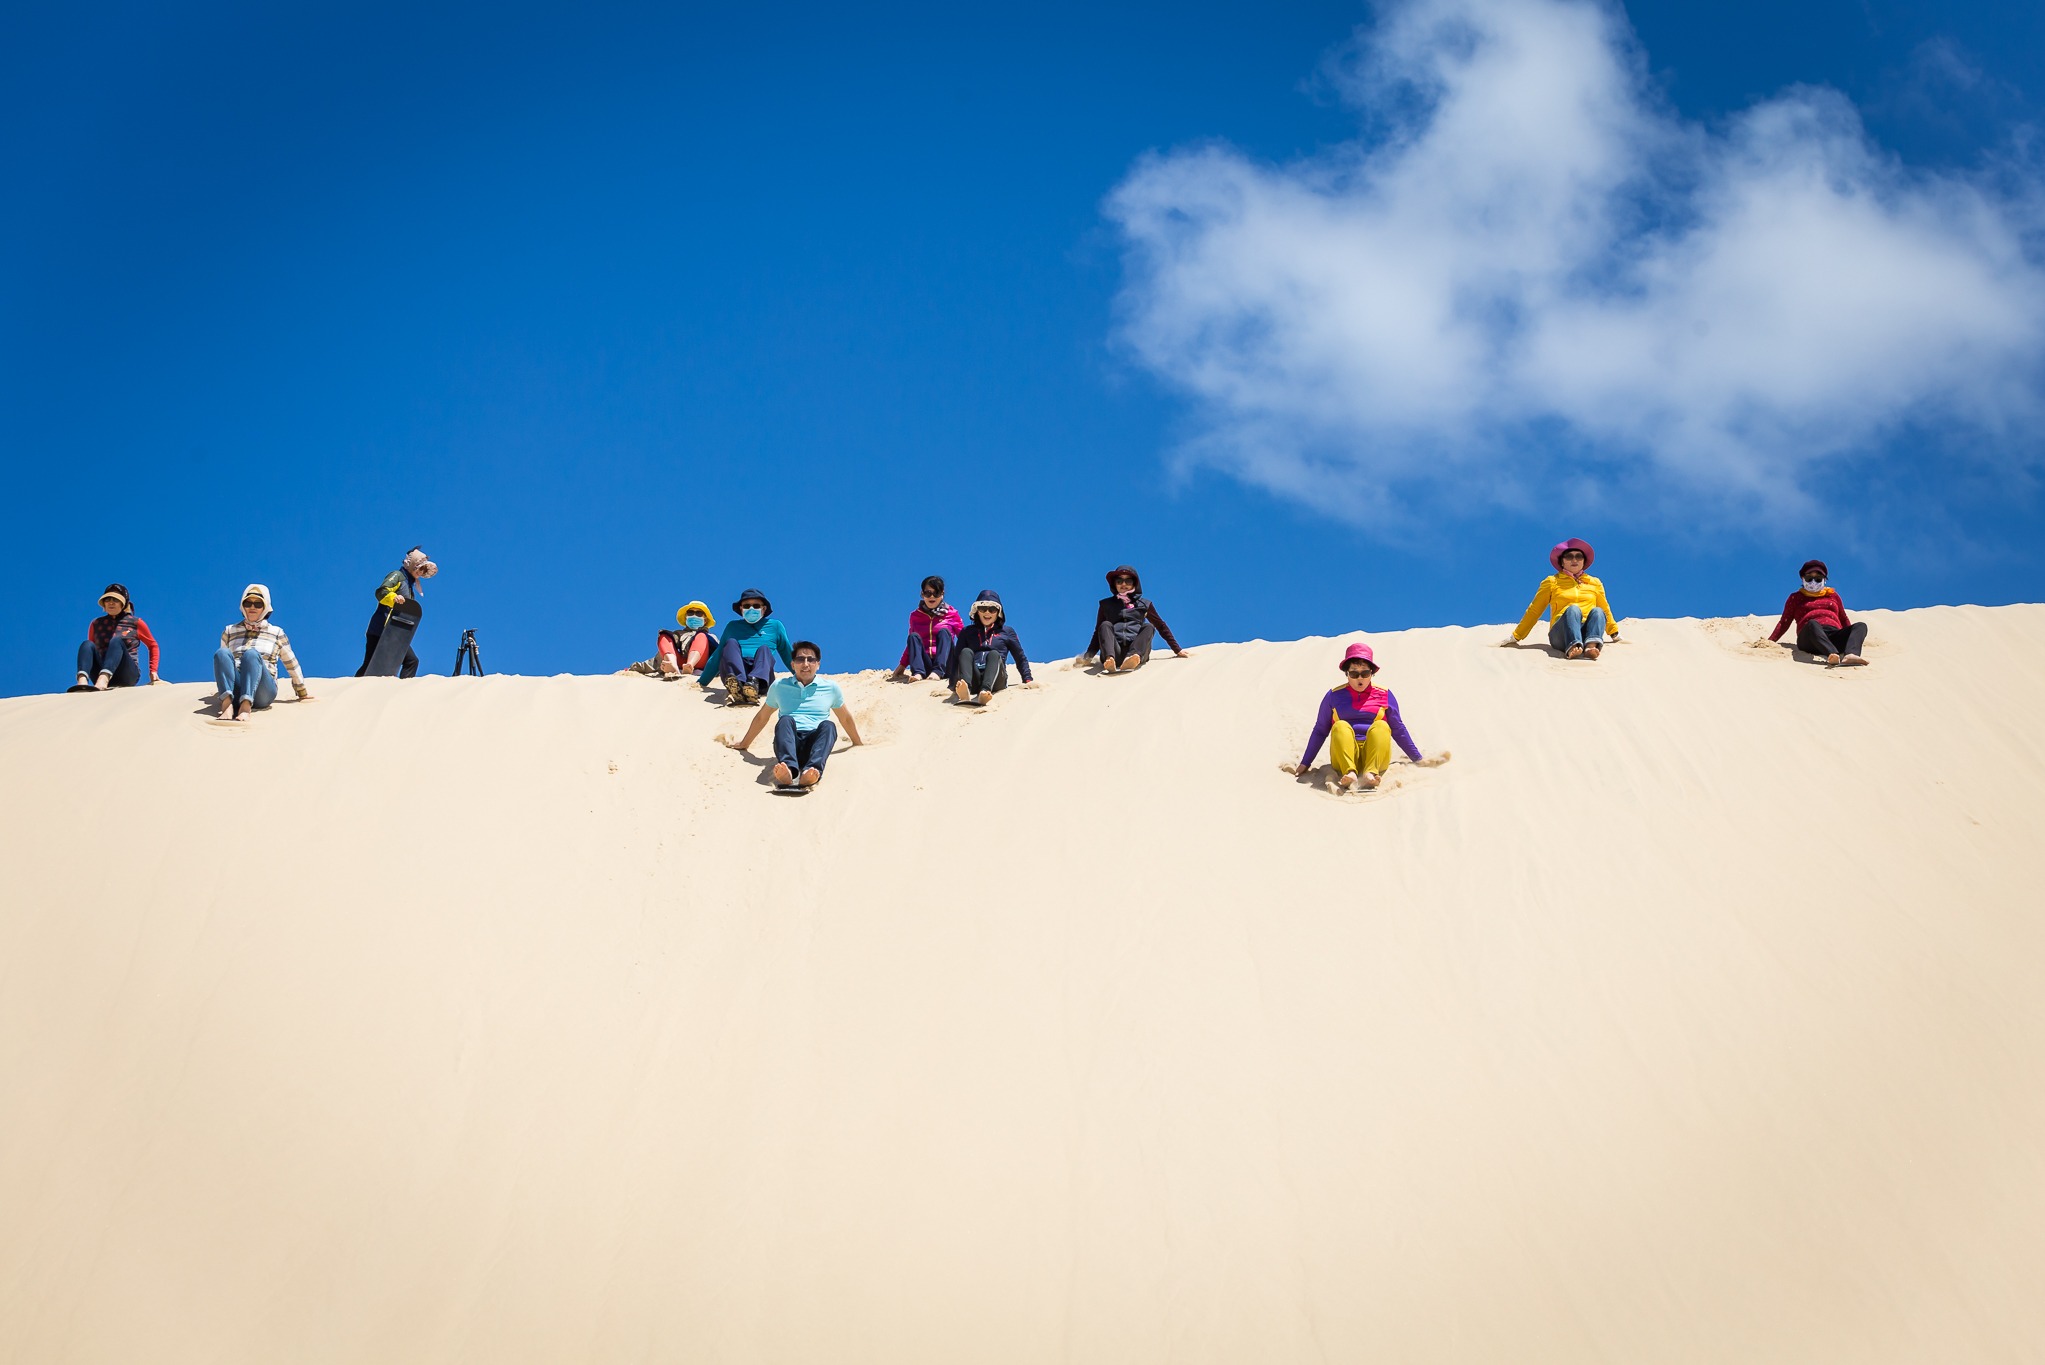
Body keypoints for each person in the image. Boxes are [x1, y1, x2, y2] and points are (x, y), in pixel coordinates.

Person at [1282, 643, 1443, 792]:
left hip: (1376, 755)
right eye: (1354, 673)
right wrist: (1305, 763)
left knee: (1382, 726)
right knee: (1340, 726)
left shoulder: (1384, 694)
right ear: (1347, 674)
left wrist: (1417, 758)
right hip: (1343, 756)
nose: (1360, 678)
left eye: (1365, 673)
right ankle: (1349, 773)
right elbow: (1320, 730)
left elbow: (1398, 728)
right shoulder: (1333, 696)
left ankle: (1370, 774)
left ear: (1371, 673)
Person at [720, 640, 864, 788]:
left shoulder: (831, 688)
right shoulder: (779, 686)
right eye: (800, 659)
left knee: (829, 725)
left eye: (811, 659)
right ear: (793, 664)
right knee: (785, 720)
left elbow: (845, 717)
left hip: (816, 746)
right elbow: (762, 717)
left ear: (818, 664)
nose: (805, 664)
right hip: (788, 743)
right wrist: (745, 743)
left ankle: (811, 771)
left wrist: (857, 743)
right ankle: (788, 769)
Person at [212, 583, 314, 720]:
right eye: (248, 603)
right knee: (221, 653)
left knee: (251, 654)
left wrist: (301, 691)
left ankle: (245, 707)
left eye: (258, 604)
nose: (252, 607)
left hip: (263, 692)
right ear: (243, 606)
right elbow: (224, 665)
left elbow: (291, 662)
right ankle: (227, 706)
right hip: (236, 689)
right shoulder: (230, 631)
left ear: (265, 608)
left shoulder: (276, 632)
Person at [1504, 538, 1620, 659]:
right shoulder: (1552, 581)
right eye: (1569, 557)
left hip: (1587, 632)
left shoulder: (1594, 582)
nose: (1574, 560)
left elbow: (1605, 608)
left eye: (1579, 556)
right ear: (1562, 562)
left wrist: (1614, 632)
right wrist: (1517, 635)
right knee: (1573, 609)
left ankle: (1590, 647)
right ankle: (1573, 646)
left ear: (1584, 561)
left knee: (1598, 611)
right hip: (1561, 633)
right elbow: (1534, 610)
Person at [1076, 564, 1188, 673]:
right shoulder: (1106, 605)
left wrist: (1177, 649)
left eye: (1128, 581)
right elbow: (1099, 633)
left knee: (1149, 626)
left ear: (1134, 584)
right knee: (1105, 625)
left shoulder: (1144, 604)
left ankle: (1132, 658)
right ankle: (1110, 660)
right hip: (1115, 650)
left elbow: (1161, 626)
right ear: (1114, 584)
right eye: (1119, 581)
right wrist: (1088, 657)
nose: (1123, 584)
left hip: (1137, 651)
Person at [1762, 559, 1867, 666]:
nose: (1813, 582)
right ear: (1802, 579)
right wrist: (1770, 641)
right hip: (1809, 638)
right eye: (1809, 578)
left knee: (1861, 626)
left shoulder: (1833, 596)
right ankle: (1832, 654)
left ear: (1824, 580)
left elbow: (1843, 618)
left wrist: (1849, 636)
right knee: (1813, 623)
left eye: (1818, 579)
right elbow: (1784, 622)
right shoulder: (1795, 598)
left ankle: (1851, 655)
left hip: (1833, 635)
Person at [699, 588, 795, 704]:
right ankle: (737, 685)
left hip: (762, 675)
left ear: (763, 609)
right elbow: (718, 655)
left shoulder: (775, 626)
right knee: (730, 644)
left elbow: (787, 653)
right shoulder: (732, 627)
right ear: (741, 609)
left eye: (756, 606)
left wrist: (803, 677)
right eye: (747, 606)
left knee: (764, 649)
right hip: (736, 672)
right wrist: (702, 682)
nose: (751, 609)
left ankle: (754, 683)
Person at [356, 546, 437, 678]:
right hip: (380, 629)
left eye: (424, 570)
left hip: (394, 632)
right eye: (420, 568)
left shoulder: (410, 588)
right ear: (413, 565)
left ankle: (401, 691)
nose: (421, 572)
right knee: (370, 665)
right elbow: (381, 592)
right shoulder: (397, 576)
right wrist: (393, 598)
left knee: (411, 661)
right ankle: (355, 688)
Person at [947, 589, 1038, 704]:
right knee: (965, 652)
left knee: (994, 654)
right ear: (977, 611)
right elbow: (957, 659)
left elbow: (1020, 657)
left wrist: (1027, 679)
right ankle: (966, 690)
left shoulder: (1007, 632)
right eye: (982, 608)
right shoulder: (967, 632)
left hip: (996, 680)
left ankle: (985, 691)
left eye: (992, 609)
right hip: (973, 677)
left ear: (998, 612)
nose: (987, 613)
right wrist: (952, 684)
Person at [74, 583, 161, 691]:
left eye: (115, 600)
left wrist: (153, 670)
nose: (111, 603)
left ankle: (104, 679)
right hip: (99, 671)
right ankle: (82, 682)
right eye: (107, 599)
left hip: (127, 675)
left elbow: (153, 645)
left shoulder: (135, 622)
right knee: (87, 644)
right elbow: (91, 653)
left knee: (116, 641)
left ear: (123, 603)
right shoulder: (96, 624)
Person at [893, 576, 962, 681]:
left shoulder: (951, 614)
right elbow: (912, 645)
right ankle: (918, 674)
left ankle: (938, 672)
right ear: (922, 594)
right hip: (925, 664)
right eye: (928, 593)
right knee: (913, 636)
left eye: (936, 593)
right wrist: (902, 664)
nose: (932, 597)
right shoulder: (915, 616)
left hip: (947, 665)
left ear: (942, 594)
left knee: (944, 632)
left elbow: (964, 639)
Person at [628, 600, 718, 679]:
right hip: (679, 662)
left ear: (705, 619)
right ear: (686, 617)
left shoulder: (710, 636)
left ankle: (690, 665)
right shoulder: (678, 634)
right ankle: (673, 666)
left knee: (701, 636)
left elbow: (720, 655)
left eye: (698, 613)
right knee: (664, 635)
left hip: (701, 662)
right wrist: (636, 667)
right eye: (690, 613)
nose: (694, 616)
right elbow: (659, 657)